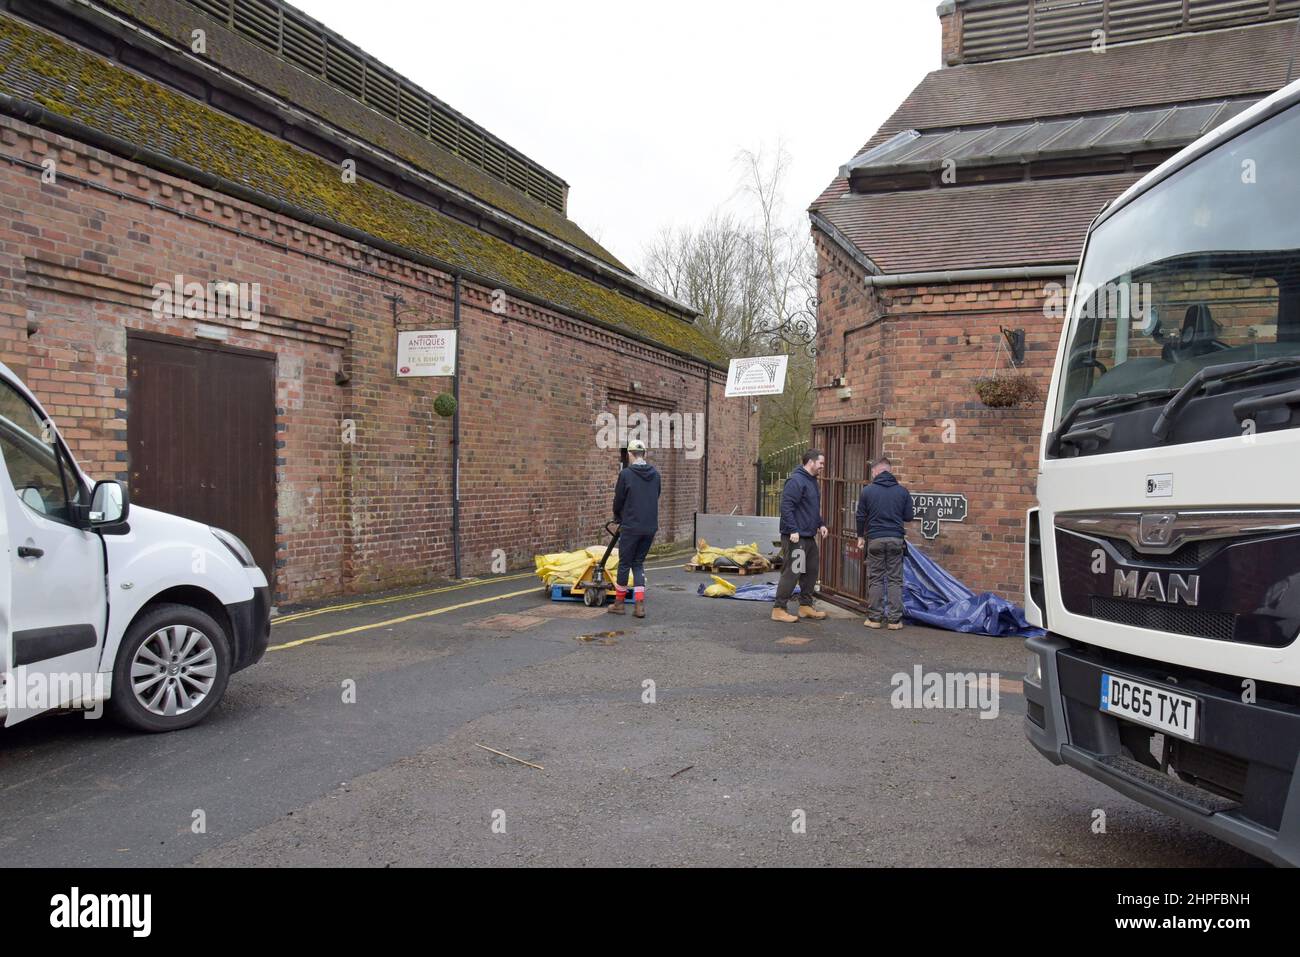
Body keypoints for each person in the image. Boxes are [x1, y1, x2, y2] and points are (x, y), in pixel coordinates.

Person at [855, 456, 914, 630]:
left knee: (876, 579)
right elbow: (908, 516)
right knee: (895, 580)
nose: (872, 474)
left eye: (872, 472)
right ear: (889, 470)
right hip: (896, 539)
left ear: (877, 471)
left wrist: (860, 537)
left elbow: (860, 516)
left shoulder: (868, 491)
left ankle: (874, 619)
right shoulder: (902, 491)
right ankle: (894, 621)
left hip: (875, 539)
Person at [772, 448, 829, 624]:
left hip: (808, 535)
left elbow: (811, 508)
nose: (822, 467)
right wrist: (793, 530)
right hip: (796, 536)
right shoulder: (796, 481)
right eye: (821, 463)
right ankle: (779, 609)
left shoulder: (812, 481)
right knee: (793, 571)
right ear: (810, 462)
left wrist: (821, 524)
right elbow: (786, 507)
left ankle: (805, 606)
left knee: (811, 570)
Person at [610, 439, 660, 618]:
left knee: (624, 564)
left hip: (631, 526)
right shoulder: (655, 474)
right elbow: (657, 495)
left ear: (630, 454)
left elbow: (619, 499)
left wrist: (617, 515)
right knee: (638, 564)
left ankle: (619, 604)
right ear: (644, 454)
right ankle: (639, 606)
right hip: (649, 527)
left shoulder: (626, 474)